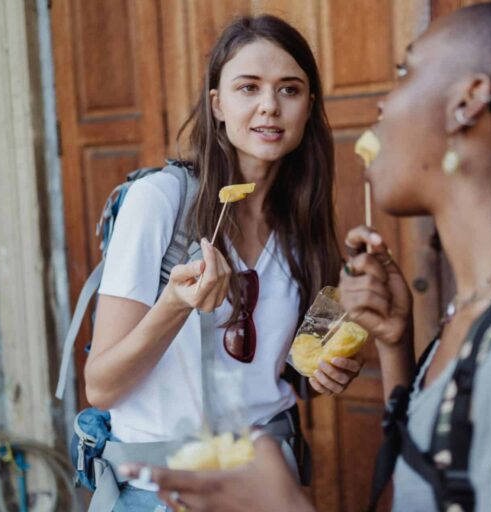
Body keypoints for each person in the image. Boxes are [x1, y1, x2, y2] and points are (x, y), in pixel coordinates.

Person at [120, 1, 491, 511]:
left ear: (468, 101)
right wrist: (397, 346)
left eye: (405, 73)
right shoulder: (478, 311)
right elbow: (423, 478)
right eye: (248, 88)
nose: (381, 104)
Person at [85, 15, 363, 511]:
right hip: (161, 493)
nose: (269, 107)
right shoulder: (160, 202)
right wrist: (175, 303)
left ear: (309, 107)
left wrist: (328, 371)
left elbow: (287, 375)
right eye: (248, 88)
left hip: (267, 489)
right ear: (217, 104)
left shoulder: (303, 227)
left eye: (289, 90)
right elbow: (102, 386)